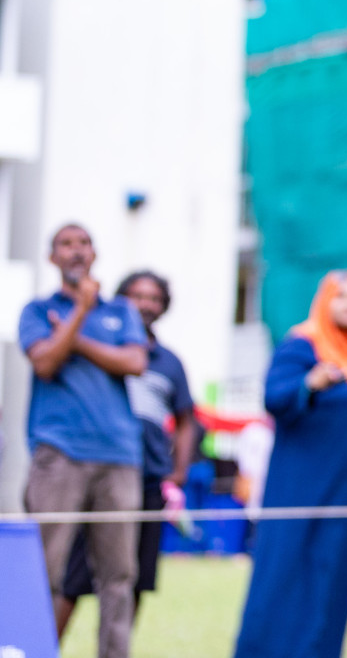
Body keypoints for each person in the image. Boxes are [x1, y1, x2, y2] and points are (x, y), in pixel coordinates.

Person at [233, 271, 347, 658]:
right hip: (303, 491)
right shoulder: (304, 345)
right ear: (326, 301)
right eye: (343, 296)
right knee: (285, 577)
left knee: (333, 581)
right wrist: (311, 383)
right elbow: (274, 397)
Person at [19, 225, 148, 658]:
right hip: (60, 454)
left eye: (83, 243)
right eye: (65, 244)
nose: (75, 251)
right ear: (52, 257)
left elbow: (134, 361)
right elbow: (46, 362)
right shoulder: (36, 311)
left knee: (118, 576)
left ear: (95, 253)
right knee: (42, 569)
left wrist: (75, 336)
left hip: (119, 457)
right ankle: (25, 650)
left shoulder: (122, 311)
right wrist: (78, 312)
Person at [58, 271, 197, 633]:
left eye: (153, 298)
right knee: (72, 579)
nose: (145, 304)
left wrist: (178, 470)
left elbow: (186, 420)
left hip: (149, 480)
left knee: (132, 579)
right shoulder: (99, 347)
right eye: (137, 296)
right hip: (99, 472)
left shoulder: (170, 362)